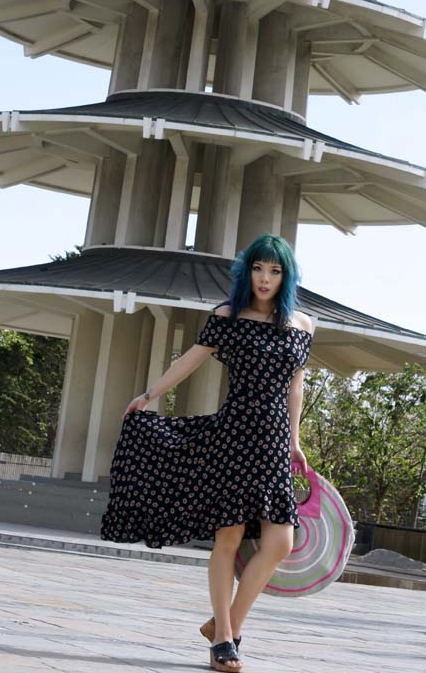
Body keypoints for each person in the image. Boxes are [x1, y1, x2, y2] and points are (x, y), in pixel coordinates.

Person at [100, 234, 314, 672]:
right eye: (258, 269)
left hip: (273, 444)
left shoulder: (302, 326)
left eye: (274, 271)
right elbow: (191, 359)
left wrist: (294, 441)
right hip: (233, 436)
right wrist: (150, 394)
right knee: (229, 537)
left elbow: (296, 387)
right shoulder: (228, 316)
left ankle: (225, 624)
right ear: (247, 272)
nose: (265, 279)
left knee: (280, 542)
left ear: (285, 276)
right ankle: (223, 643)